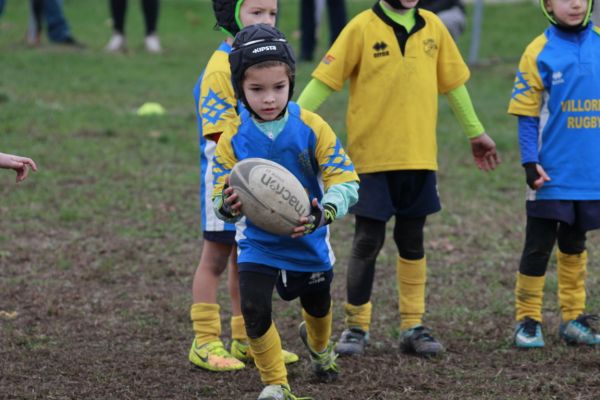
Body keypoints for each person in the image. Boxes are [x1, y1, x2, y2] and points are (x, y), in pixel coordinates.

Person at [297, 0, 500, 358]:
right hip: (370, 161)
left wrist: (476, 132)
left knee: (412, 240)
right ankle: (355, 327)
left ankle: (412, 326)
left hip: (419, 158)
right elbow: (324, 81)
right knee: (367, 241)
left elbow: (454, 84)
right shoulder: (360, 27)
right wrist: (291, 125)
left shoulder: (434, 27)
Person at [213, 24, 359, 400]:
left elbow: (346, 177)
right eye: (256, 89)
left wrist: (325, 211)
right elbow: (219, 193)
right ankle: (276, 384)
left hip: (307, 235)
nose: (268, 98)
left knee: (318, 304)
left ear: (291, 82)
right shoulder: (233, 139)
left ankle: (321, 349)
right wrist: (226, 205)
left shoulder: (311, 126)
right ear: (240, 89)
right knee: (253, 308)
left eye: (278, 87)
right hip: (258, 242)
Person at [188, 0, 298, 373]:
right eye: (256, 13)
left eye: (271, 13)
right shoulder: (221, 66)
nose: (266, 21)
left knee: (243, 256)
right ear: (231, 15)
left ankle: (246, 340)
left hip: (254, 178)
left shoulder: (265, 62)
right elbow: (219, 134)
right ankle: (204, 341)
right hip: (226, 176)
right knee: (216, 257)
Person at [509, 0, 600, 349]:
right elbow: (527, 116)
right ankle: (527, 320)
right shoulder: (538, 51)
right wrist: (530, 163)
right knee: (538, 246)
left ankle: (573, 317)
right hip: (550, 173)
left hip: (589, 175)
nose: (575, 4)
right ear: (547, 5)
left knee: (576, 244)